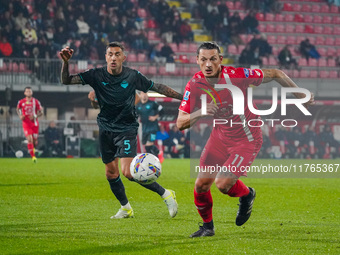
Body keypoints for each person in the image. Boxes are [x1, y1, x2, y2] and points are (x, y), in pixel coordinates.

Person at [176, 42, 314, 237]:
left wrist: (298, 93)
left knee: (222, 184)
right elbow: (180, 123)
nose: (208, 64)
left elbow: (276, 73)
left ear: (220, 60)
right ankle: (207, 227)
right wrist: (200, 111)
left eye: (213, 59)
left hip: (247, 139)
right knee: (201, 185)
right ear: (197, 60)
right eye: (203, 59)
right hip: (219, 137)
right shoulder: (194, 84)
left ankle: (247, 194)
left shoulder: (237, 75)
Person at [59, 42, 182, 219]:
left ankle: (166, 194)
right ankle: (126, 208)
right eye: (110, 54)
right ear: (106, 57)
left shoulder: (132, 76)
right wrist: (65, 62)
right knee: (110, 172)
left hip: (127, 128)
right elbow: (66, 80)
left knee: (128, 172)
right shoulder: (96, 74)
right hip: (105, 128)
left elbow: (157, 87)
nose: (114, 57)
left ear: (124, 57)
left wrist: (183, 97)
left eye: (117, 54)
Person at [136, 91, 164, 162]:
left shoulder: (153, 103)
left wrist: (155, 117)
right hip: (144, 129)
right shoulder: (138, 106)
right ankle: (157, 155)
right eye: (143, 93)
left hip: (153, 128)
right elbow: (134, 114)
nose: (144, 95)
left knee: (148, 145)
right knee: (146, 146)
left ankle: (157, 156)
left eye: (145, 93)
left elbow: (162, 110)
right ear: (140, 95)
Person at [16, 87, 43, 162]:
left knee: (34, 141)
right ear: (24, 93)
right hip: (26, 123)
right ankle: (33, 157)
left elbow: (41, 112)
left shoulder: (36, 101)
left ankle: (32, 149)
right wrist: (20, 115)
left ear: (32, 93)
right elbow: (18, 109)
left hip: (34, 123)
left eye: (29, 91)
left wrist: (35, 116)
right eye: (27, 91)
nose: (28, 93)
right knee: (29, 139)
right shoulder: (21, 102)